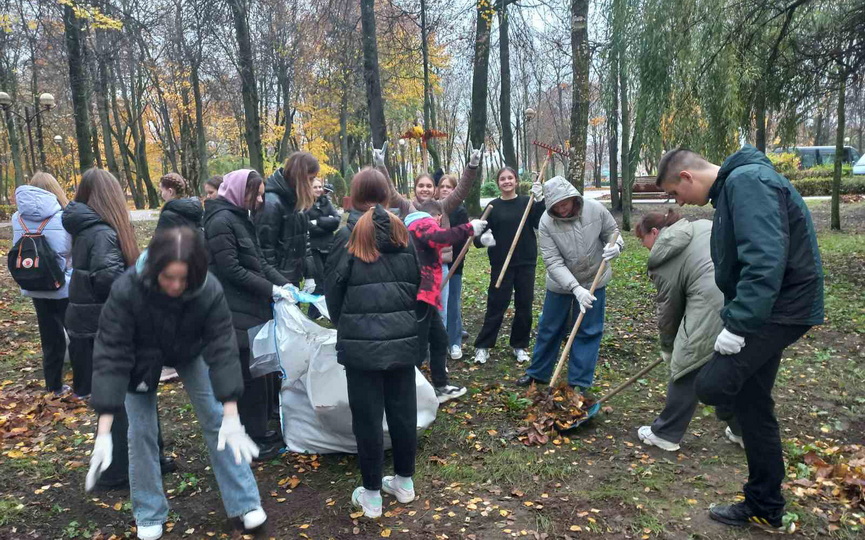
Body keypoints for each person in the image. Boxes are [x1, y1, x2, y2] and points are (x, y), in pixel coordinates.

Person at [656, 145, 823, 531]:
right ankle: (765, 505)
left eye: (676, 193)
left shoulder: (748, 182)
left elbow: (764, 258)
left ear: (686, 177)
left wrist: (738, 325)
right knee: (753, 402)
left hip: (778, 309)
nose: (680, 201)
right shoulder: (739, 183)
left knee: (714, 384)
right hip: (774, 307)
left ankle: (764, 499)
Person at [85, 227, 266, 540]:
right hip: (141, 356)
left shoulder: (207, 289)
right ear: (156, 269)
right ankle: (149, 511)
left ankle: (245, 503)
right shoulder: (127, 290)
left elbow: (222, 349)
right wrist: (103, 430)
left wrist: (232, 413)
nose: (176, 286)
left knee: (217, 420)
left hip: (189, 349)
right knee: (140, 431)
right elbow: (111, 355)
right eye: (169, 277)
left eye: (184, 279)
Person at [64, 168, 170, 489]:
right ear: (111, 198)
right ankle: (118, 470)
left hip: (89, 326)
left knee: (126, 396)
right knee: (127, 399)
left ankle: (146, 459)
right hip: (106, 329)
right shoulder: (103, 233)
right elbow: (109, 280)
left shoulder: (89, 229)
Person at [325, 168, 421, 520]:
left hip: (362, 345)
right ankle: (405, 483)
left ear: (354, 194)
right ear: (386, 194)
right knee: (402, 411)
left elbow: (332, 293)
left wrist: (347, 324)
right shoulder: (403, 232)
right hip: (401, 339)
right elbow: (416, 282)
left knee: (366, 419)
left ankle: (372, 496)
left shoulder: (346, 235)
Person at [632, 210, 742, 452]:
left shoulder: (664, 257)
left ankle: (666, 434)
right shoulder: (701, 225)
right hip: (746, 295)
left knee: (687, 361)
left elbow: (669, 311)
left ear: (654, 232)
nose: (644, 247)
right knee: (729, 368)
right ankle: (744, 430)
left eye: (643, 240)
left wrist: (668, 347)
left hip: (712, 302)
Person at [203, 169, 291, 460]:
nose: (261, 199)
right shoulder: (221, 221)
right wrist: (270, 289)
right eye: (257, 193)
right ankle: (250, 437)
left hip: (250, 309)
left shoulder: (241, 218)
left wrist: (284, 284)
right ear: (241, 191)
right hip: (232, 310)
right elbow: (232, 269)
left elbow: (259, 262)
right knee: (247, 376)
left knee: (261, 370)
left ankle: (260, 429)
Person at [516, 176, 623, 393]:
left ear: (573, 198)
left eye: (564, 204)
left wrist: (618, 245)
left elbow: (613, 233)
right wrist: (575, 288)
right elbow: (553, 262)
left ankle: (580, 382)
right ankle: (538, 372)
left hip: (594, 278)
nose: (561, 210)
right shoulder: (546, 221)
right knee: (549, 327)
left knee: (589, 330)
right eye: (555, 206)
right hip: (561, 284)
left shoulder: (595, 209)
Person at [372, 144, 482, 330]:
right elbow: (389, 191)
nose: (425, 189)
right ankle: (419, 350)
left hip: (440, 267)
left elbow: (461, 190)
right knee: (415, 310)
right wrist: (381, 165)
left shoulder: (443, 205)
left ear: (435, 189)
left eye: (429, 186)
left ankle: (437, 349)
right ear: (415, 188)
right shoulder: (406, 206)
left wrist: (472, 166)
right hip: (412, 267)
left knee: (440, 312)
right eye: (421, 186)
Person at [405, 199, 487, 402]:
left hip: (427, 295)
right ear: (438, 217)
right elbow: (439, 237)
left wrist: (476, 238)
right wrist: (469, 227)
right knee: (420, 346)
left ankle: (441, 387)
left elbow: (445, 239)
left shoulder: (416, 224)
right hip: (420, 295)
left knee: (440, 339)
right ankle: (408, 392)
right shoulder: (422, 223)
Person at [472, 167, 544, 365]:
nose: (506, 181)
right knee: (496, 305)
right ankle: (483, 346)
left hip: (525, 262)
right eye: (502, 179)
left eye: (510, 178)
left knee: (524, 305)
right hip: (501, 263)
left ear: (516, 181)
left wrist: (539, 201)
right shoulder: (492, 207)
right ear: (498, 183)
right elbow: (477, 238)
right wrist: (484, 239)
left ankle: (519, 345)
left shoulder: (526, 202)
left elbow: (539, 223)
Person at [11, 173, 72, 394]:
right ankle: (85, 383)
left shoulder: (16, 218)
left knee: (50, 337)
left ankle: (53, 386)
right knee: (76, 333)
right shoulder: (64, 216)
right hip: (62, 284)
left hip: (35, 284)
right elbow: (69, 250)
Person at [156, 172, 203, 382]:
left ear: (170, 191)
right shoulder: (194, 210)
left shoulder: (169, 215)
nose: (160, 192)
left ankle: (169, 363)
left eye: (162, 189)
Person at [256, 151, 317, 290]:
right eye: (311, 178)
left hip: (291, 278)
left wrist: (309, 274)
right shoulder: (271, 203)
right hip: (278, 283)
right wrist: (278, 284)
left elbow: (304, 239)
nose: (313, 183)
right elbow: (265, 249)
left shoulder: (296, 200)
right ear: (300, 177)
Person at [437, 175, 469, 360]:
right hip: (434, 266)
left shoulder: (459, 211)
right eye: (442, 186)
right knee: (437, 306)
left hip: (454, 265)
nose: (445, 189)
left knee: (452, 304)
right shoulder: (432, 209)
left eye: (449, 187)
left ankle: (454, 342)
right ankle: (438, 341)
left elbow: (462, 238)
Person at [305, 178, 340, 319]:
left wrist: (318, 221)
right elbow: (308, 226)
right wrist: (327, 224)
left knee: (331, 280)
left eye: (320, 186)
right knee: (320, 282)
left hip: (329, 246)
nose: (319, 189)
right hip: (314, 249)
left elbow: (336, 221)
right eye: (315, 187)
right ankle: (313, 313)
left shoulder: (326, 202)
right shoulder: (305, 205)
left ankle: (327, 311)